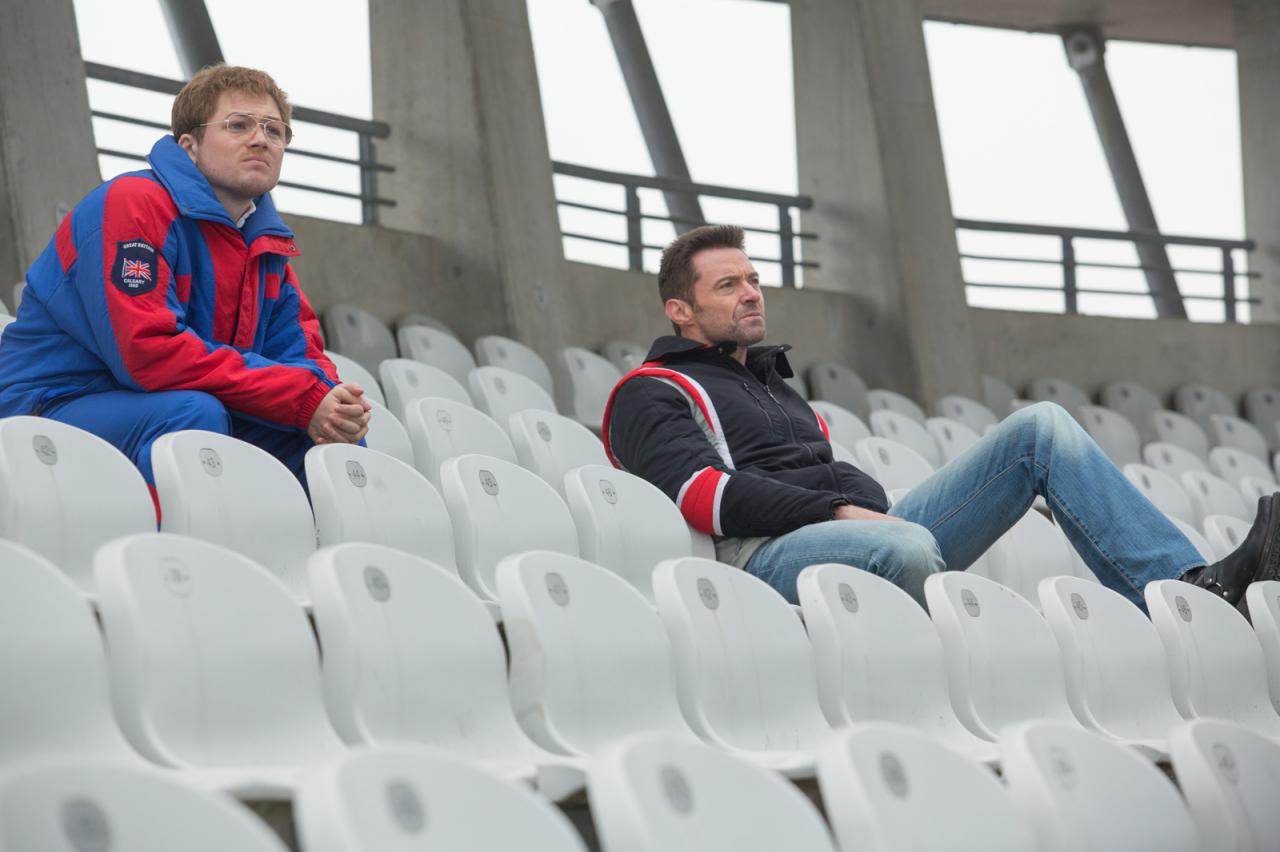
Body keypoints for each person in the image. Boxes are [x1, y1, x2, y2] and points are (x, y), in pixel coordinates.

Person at [603, 224, 1279, 613]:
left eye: (753, 279)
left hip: (842, 533)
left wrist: (847, 500)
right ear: (680, 311)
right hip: (756, 560)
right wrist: (836, 508)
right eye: (728, 285)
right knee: (903, 546)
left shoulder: (772, 385)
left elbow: (840, 478)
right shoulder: (650, 390)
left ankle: (1192, 592)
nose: (751, 293)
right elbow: (706, 496)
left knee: (1040, 428)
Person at [0, 65, 368, 497]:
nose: (260, 139)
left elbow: (299, 350)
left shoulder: (266, 244)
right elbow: (147, 351)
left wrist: (331, 401)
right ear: (189, 146)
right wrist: (299, 397)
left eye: (275, 130)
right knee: (194, 418)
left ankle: (298, 546)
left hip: (169, 402)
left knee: (330, 440)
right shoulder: (134, 204)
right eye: (238, 125)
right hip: (51, 403)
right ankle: (164, 541)